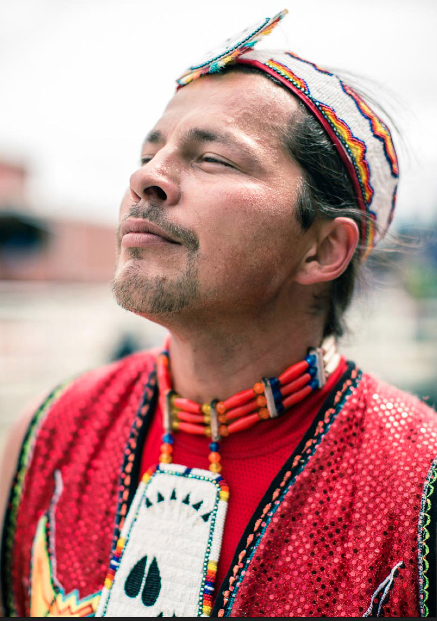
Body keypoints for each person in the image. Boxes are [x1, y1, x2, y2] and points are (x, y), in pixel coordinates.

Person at [1, 10, 436, 618]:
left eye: (212, 160)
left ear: (323, 248)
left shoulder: (418, 485)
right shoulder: (48, 438)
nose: (146, 178)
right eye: (150, 153)